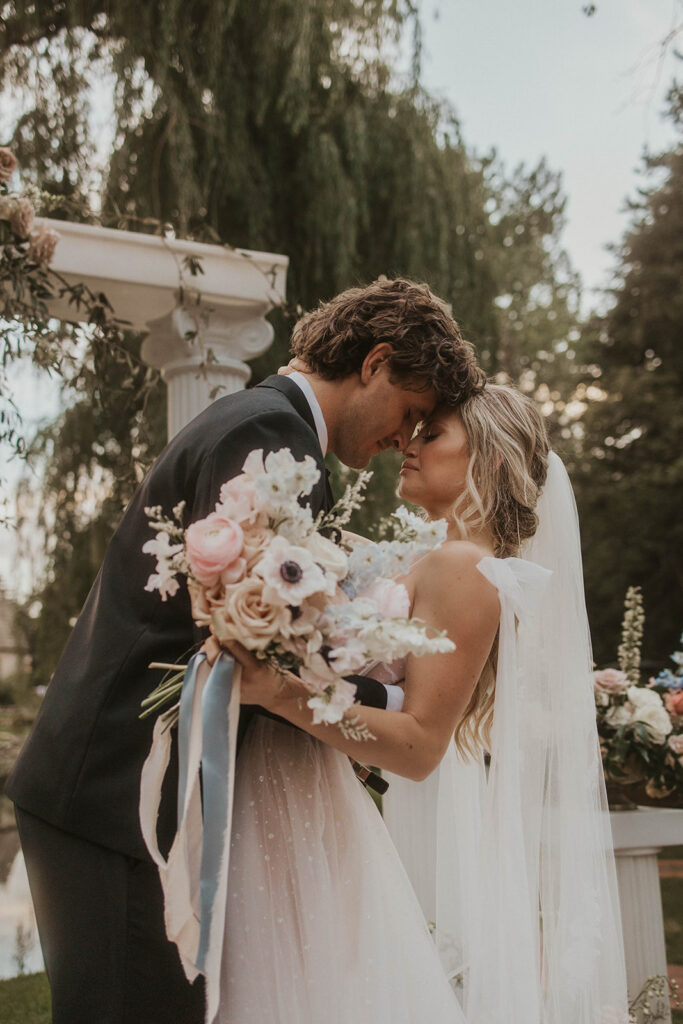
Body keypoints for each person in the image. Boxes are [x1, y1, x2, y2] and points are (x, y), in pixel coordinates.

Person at [6, 277, 484, 1024]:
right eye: (410, 410)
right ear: (374, 362)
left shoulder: (262, 425)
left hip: (114, 796)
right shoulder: (269, 437)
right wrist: (393, 704)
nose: (402, 438)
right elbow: (254, 644)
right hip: (117, 795)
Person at [221, 383, 629, 1024]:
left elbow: (419, 746)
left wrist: (279, 690)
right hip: (304, 787)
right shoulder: (436, 560)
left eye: (431, 433)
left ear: (489, 464)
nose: (408, 443)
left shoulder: (467, 566)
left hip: (302, 789)